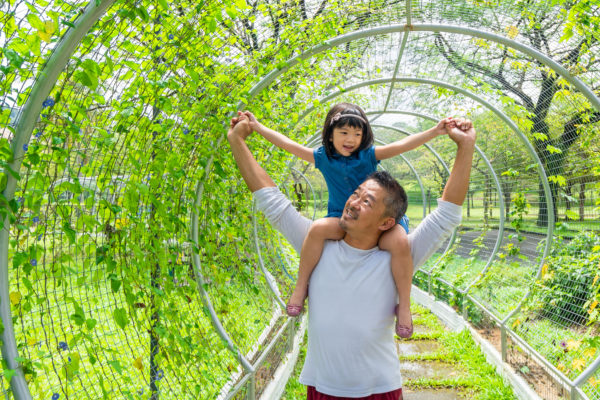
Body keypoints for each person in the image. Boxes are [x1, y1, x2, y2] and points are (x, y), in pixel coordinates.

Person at [227, 112, 476, 399]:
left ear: (386, 222)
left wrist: (465, 146)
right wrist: (238, 141)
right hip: (321, 387)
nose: (353, 202)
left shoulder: (399, 258)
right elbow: (270, 198)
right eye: (355, 193)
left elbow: (447, 215)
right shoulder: (317, 243)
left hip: (379, 389)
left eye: (367, 201)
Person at [239, 104, 452, 338]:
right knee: (318, 228)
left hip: (379, 219)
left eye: (357, 134)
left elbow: (400, 146)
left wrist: (434, 131)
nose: (351, 139)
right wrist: (257, 127)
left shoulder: (368, 156)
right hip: (344, 217)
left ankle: (404, 306)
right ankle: (301, 287)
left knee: (400, 243)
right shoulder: (322, 157)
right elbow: (288, 145)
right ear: (330, 134)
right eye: (343, 133)